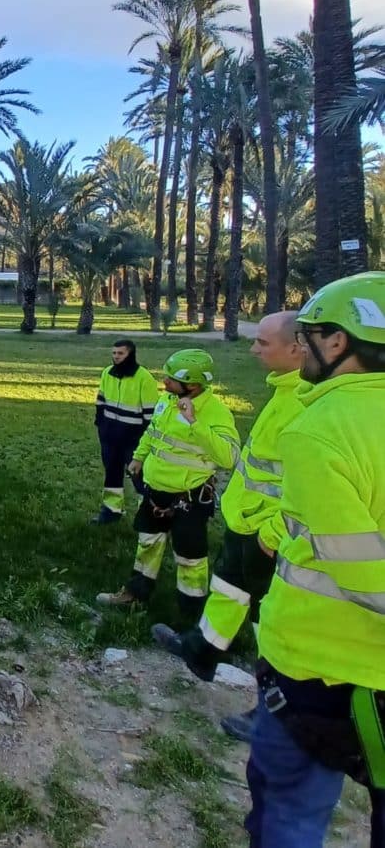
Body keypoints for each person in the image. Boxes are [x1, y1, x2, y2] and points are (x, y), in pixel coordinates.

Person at [244, 273, 385, 847]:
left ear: (338, 343)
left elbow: (361, 571)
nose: (302, 347)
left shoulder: (318, 429)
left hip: (321, 669)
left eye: (311, 335)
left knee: (291, 808)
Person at [151, 312, 305, 742]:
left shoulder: (303, 402)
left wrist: (272, 533)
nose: (253, 349)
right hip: (248, 520)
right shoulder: (286, 391)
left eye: (263, 342)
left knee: (269, 621)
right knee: (230, 588)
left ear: (296, 348)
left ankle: (274, 712)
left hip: (270, 532)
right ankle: (202, 651)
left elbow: (308, 483)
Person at [96, 348, 240, 620]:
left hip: (189, 498)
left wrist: (194, 423)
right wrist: (139, 457)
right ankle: (134, 595)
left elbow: (229, 457)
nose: (165, 382)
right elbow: (154, 431)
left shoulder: (216, 412)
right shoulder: (168, 400)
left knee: (190, 558)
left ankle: (191, 614)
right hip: (156, 492)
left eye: (172, 379)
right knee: (147, 544)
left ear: (193, 385)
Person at [92, 339, 158, 524]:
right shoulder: (107, 373)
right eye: (114, 353)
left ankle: (147, 517)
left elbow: (150, 414)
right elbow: (101, 401)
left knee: (140, 478)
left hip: (133, 439)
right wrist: (101, 426)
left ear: (130, 354)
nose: (116, 357)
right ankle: (111, 511)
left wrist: (145, 439)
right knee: (112, 474)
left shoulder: (144, 378)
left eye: (120, 353)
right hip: (109, 436)